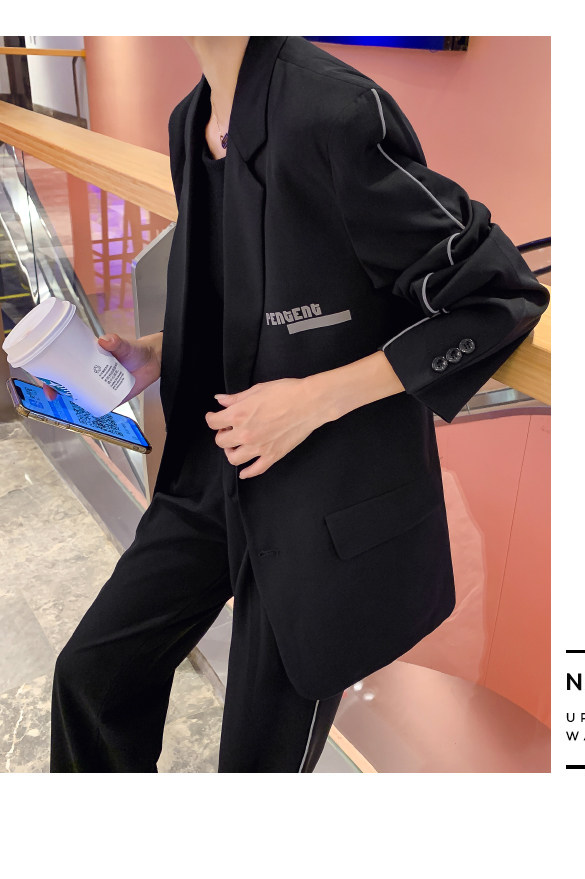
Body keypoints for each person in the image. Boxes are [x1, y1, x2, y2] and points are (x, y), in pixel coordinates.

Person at [47, 36, 549, 772]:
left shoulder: (336, 113)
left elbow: (499, 295)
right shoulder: (191, 121)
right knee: (91, 678)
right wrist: (160, 351)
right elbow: (250, 298)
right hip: (212, 475)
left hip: (323, 506)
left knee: (257, 766)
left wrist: (310, 401)